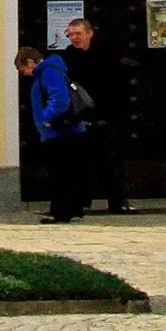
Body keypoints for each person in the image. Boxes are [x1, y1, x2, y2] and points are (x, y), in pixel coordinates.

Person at [15, 41, 91, 223]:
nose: (24, 74)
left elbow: (60, 100)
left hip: (61, 132)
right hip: (65, 131)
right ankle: (73, 208)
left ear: (30, 62)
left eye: (22, 68)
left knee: (60, 172)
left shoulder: (48, 72)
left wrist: (45, 118)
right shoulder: (51, 70)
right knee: (69, 171)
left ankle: (60, 212)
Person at [64, 12, 130, 211]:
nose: (75, 37)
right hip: (81, 116)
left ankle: (117, 202)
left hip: (106, 114)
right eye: (71, 34)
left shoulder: (105, 55)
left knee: (108, 160)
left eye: (78, 33)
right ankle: (82, 202)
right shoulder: (68, 56)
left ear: (89, 33)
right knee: (81, 162)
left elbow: (117, 84)